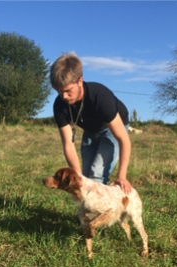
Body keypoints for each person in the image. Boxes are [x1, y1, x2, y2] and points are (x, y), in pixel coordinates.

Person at [50, 52, 132, 194]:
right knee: (86, 177)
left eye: (68, 90)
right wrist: (77, 177)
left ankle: (99, 214)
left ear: (80, 81)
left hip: (111, 128)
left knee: (96, 172)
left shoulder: (100, 97)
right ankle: (90, 212)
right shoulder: (59, 105)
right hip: (90, 130)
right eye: (59, 91)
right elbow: (68, 145)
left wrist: (122, 176)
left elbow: (123, 139)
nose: (64, 96)